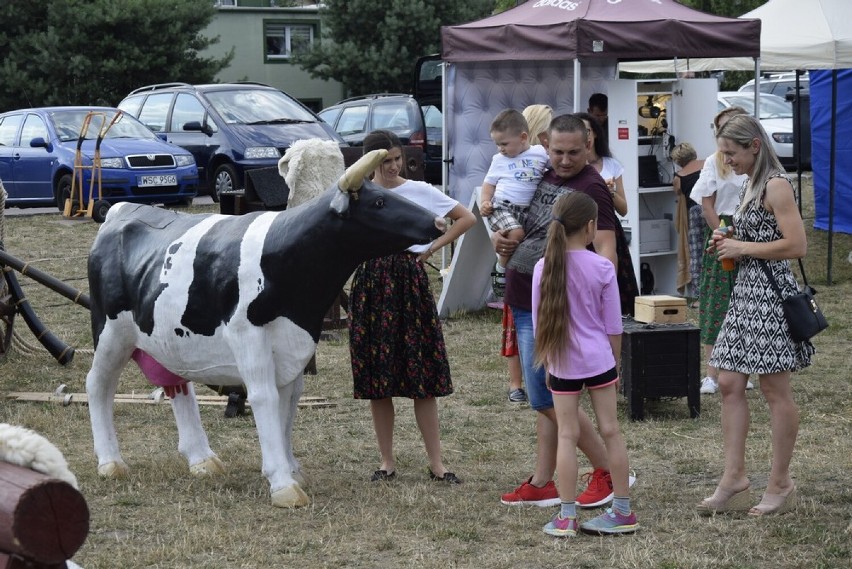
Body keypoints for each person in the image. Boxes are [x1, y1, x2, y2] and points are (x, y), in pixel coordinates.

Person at [495, 114, 634, 509]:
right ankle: (543, 480)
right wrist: (501, 239)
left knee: (545, 397)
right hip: (525, 292)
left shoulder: (591, 187)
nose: (566, 160)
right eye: (558, 151)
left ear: (588, 145)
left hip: (556, 308)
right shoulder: (539, 170)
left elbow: (605, 249)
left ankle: (608, 470)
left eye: (575, 152)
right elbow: (519, 219)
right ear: (544, 143)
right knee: (548, 403)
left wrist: (585, 298)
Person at [697, 113, 813, 516]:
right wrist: (728, 238)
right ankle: (735, 478)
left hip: (770, 295)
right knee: (728, 381)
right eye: (724, 154)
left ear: (754, 146)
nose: (727, 161)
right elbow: (758, 236)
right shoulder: (751, 183)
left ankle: (780, 482)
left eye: (732, 153)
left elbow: (797, 245)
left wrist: (742, 248)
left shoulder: (777, 184)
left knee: (774, 390)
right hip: (746, 292)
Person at [348, 129, 475, 484]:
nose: (392, 166)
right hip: (371, 283)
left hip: (409, 279)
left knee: (423, 379)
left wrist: (433, 248)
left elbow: (467, 218)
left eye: (396, 159)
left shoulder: (419, 191)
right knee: (378, 380)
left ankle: (437, 463)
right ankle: (386, 461)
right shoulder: (358, 194)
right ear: (369, 161)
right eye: (384, 160)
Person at [534, 191, 637, 537]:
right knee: (611, 431)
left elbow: (539, 326)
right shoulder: (603, 266)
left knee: (567, 434)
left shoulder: (542, 267)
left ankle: (566, 517)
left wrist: (548, 363)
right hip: (600, 360)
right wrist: (616, 365)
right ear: (591, 227)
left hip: (562, 363)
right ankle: (622, 510)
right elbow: (614, 326)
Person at [689, 107, 753, 395]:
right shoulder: (714, 163)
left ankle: (743, 368)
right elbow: (707, 205)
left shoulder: (759, 163)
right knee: (717, 301)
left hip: (751, 229)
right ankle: (711, 372)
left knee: (747, 300)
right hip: (724, 228)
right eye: (722, 129)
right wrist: (723, 234)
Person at [500, 104, 553, 404]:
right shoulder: (521, 161)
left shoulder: (533, 160)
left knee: (520, 321)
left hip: (521, 252)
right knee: (521, 320)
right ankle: (518, 382)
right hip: (522, 253)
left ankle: (518, 383)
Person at [576, 112, 639, 316]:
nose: (584, 136)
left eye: (587, 131)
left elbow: (623, 209)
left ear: (594, 134)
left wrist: (608, 191)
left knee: (614, 279)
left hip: (606, 226)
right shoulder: (572, 165)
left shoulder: (611, 165)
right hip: (579, 227)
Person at [480, 109, 549, 272]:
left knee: (524, 238)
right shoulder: (499, 160)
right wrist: (484, 202)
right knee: (517, 233)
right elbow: (488, 184)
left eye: (504, 144)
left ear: (523, 137)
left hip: (526, 211)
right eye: (497, 144)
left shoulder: (539, 153)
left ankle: (515, 268)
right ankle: (501, 269)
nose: (500, 149)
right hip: (502, 208)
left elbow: (553, 167)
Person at [670, 142, 705, 301]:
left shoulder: (679, 177)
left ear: (678, 160)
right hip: (715, 209)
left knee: (696, 253)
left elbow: (677, 192)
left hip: (695, 212)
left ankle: (699, 295)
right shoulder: (707, 164)